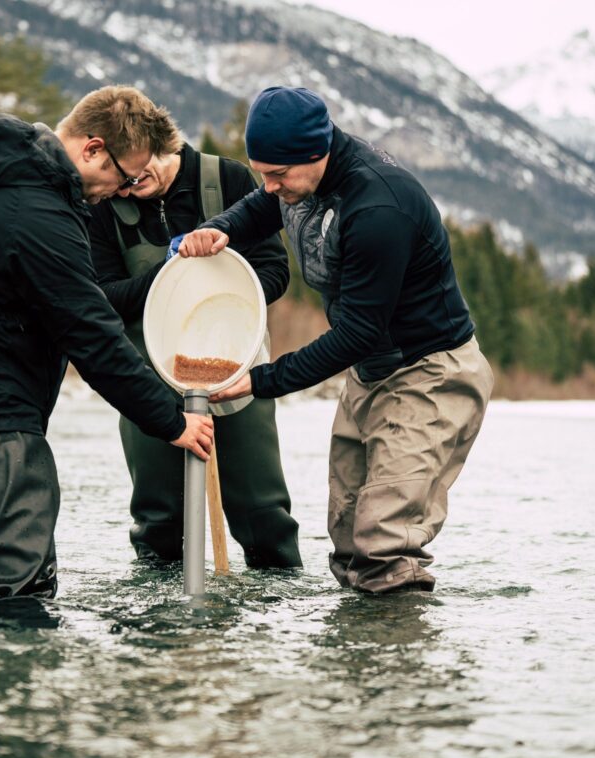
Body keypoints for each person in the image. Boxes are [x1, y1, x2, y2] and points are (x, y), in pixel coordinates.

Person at [0, 86, 214, 598]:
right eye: (124, 178)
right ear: (93, 149)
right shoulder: (37, 211)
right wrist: (170, 421)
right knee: (20, 593)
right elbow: (91, 335)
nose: (123, 193)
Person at [180, 86, 494, 593]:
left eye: (278, 174)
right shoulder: (299, 180)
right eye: (262, 171)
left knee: (382, 541)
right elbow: (264, 207)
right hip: (371, 371)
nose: (269, 185)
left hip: (430, 374)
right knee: (348, 536)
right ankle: (354, 664)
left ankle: (394, 666)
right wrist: (220, 229)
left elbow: (358, 331)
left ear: (316, 152)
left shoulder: (378, 207)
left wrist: (261, 381)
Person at [88, 142, 302, 568]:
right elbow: (103, 297)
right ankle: (160, 627)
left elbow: (276, 272)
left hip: (236, 370)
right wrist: (170, 275)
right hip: (147, 380)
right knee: (158, 524)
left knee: (265, 518)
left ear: (155, 142)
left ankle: (271, 623)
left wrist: (217, 275)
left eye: (133, 176)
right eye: (120, 181)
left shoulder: (229, 180)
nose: (127, 190)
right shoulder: (105, 201)